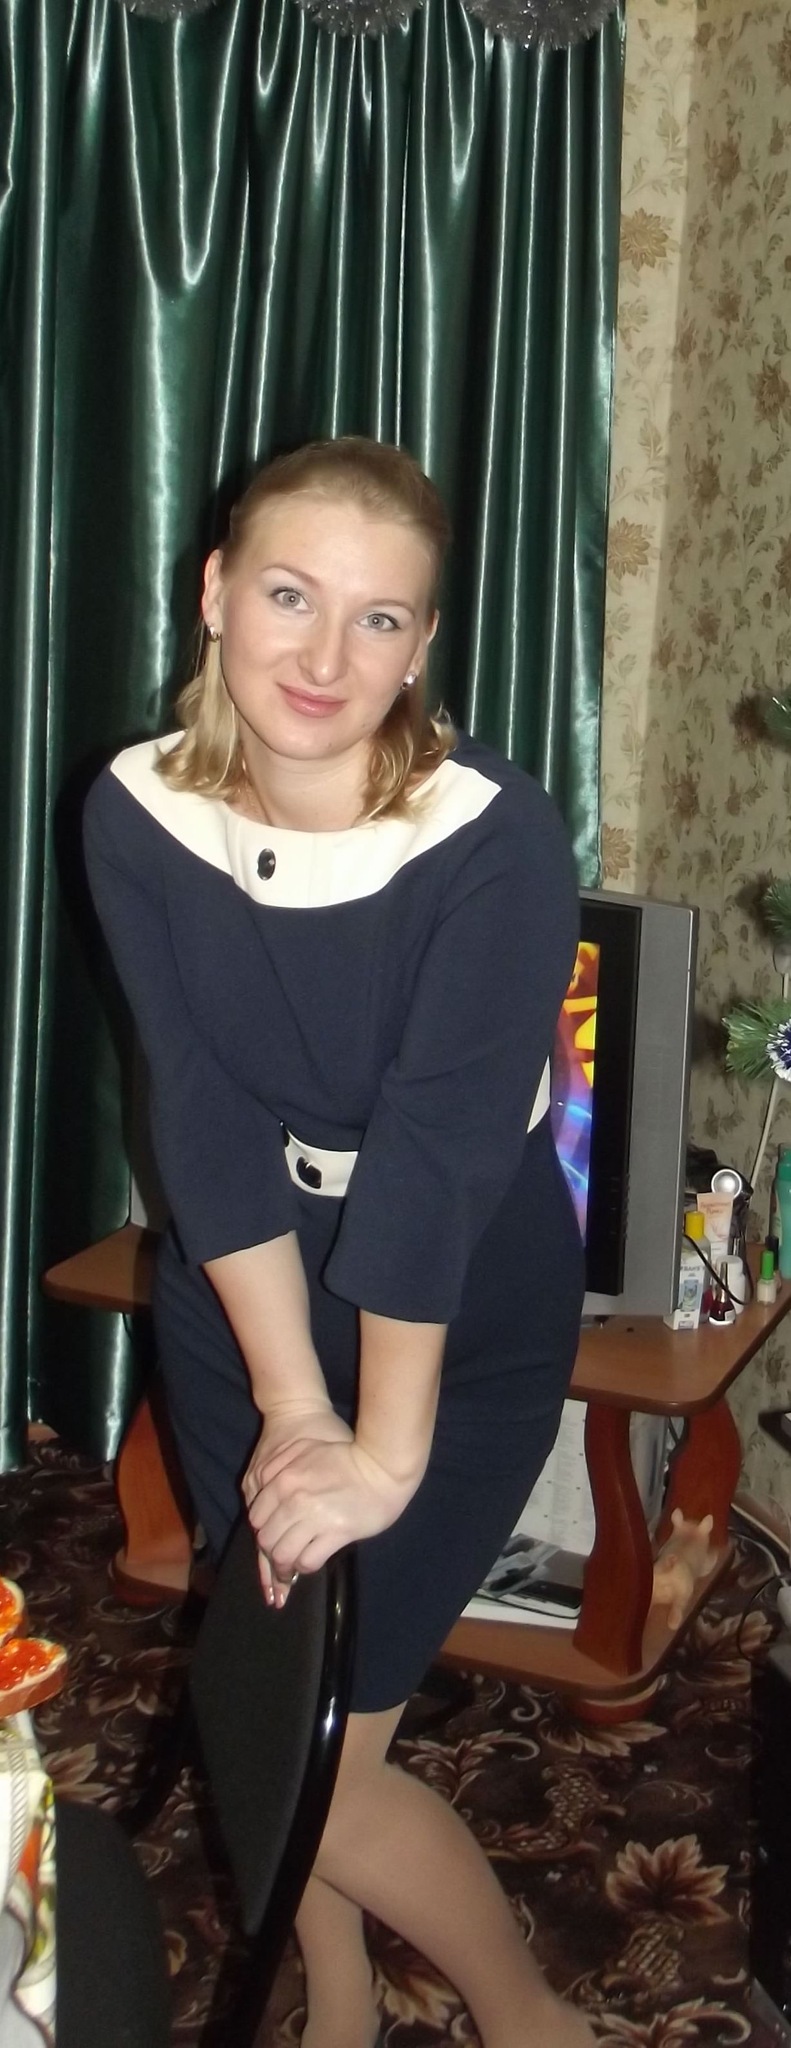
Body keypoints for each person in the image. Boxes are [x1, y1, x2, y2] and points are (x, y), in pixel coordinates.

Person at [83, 436, 595, 2048]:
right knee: (278, 1701)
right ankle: (346, 1994)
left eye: (380, 619)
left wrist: (381, 1442)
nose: (325, 657)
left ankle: (533, 2022)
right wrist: (294, 1404)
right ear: (216, 593)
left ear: (424, 642)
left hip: (462, 1297)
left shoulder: (493, 838)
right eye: (290, 596)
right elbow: (201, 1111)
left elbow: (439, 1159)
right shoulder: (139, 810)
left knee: (328, 1756)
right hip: (245, 1294)